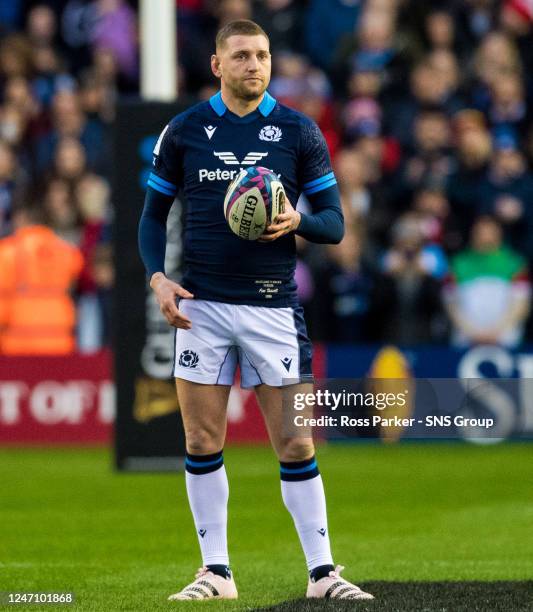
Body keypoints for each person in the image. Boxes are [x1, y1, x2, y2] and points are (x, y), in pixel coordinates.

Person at [138, 19, 373, 602]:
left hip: (272, 308)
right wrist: (158, 279)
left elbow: (335, 223)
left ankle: (323, 575)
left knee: (295, 444)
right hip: (203, 308)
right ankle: (215, 573)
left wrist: (299, 222)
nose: (254, 65)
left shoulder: (297, 130)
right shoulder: (186, 129)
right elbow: (150, 216)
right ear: (217, 64)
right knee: (199, 437)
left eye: (262, 55)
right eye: (241, 55)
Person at [0, 204, 83, 354]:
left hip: (18, 341)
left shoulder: (7, 252)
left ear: (21, 218)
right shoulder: (67, 250)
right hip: (59, 338)